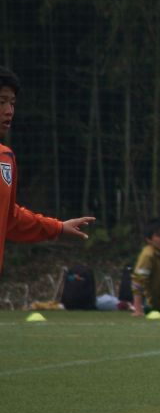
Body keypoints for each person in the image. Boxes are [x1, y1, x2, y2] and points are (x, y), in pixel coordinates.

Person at [0, 65, 93, 275]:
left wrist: (57, 228)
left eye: (12, 103)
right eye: (2, 101)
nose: (9, 110)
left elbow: (10, 218)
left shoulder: (5, 158)